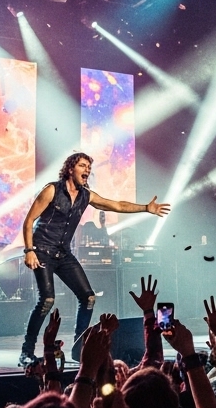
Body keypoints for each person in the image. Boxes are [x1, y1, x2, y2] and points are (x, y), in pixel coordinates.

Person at [20, 152, 170, 366]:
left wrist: (146, 208)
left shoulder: (86, 195)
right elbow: (29, 221)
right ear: (70, 168)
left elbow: (116, 205)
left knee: (88, 298)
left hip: (63, 253)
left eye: (89, 167)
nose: (87, 170)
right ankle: (26, 351)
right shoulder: (52, 190)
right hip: (42, 249)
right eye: (82, 165)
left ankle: (80, 346)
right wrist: (29, 250)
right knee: (47, 300)